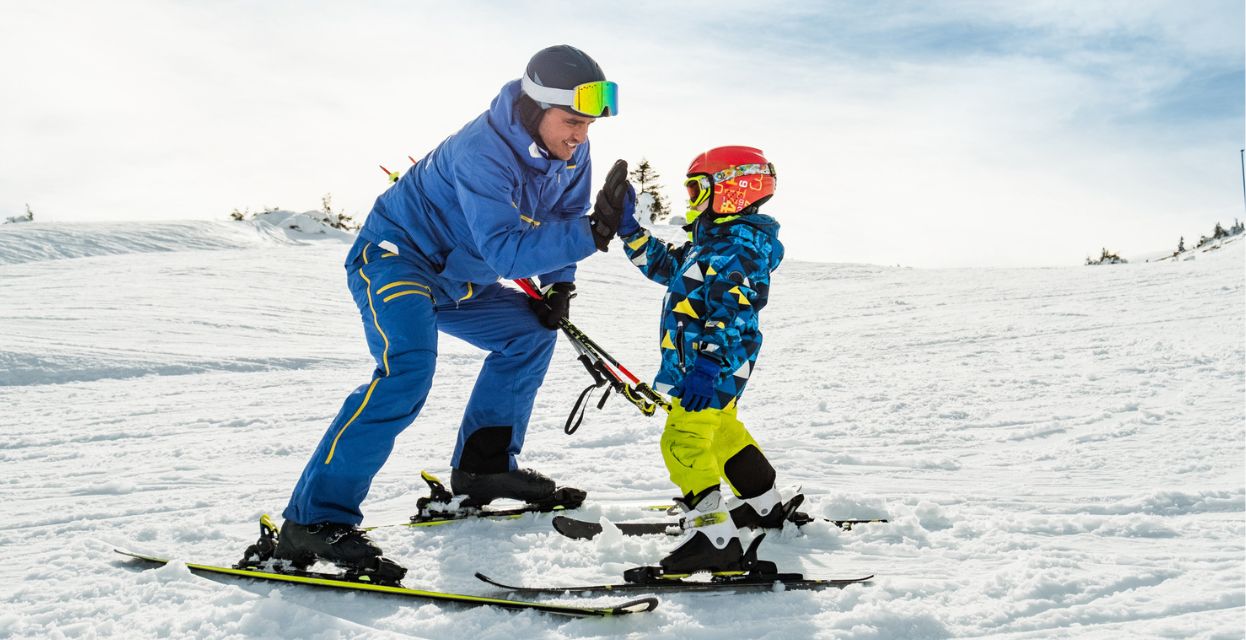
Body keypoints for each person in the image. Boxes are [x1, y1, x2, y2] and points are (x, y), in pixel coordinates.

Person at [273, 45, 634, 575]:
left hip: (461, 279)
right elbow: (508, 252)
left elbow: (565, 214)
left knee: (528, 334)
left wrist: (560, 287)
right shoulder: (481, 150)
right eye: (571, 121)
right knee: (407, 372)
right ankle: (312, 522)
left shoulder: (571, 154)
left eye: (587, 126)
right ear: (536, 109)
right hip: (398, 263)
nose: (580, 135)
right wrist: (592, 235)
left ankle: (483, 470)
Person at [616, 146, 786, 573]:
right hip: (712, 371)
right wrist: (628, 230)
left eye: (697, 190)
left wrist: (707, 367)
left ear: (732, 191)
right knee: (723, 431)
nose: (692, 200)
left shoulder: (736, 252)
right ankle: (764, 505)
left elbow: (734, 314)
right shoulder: (714, 245)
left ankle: (716, 539)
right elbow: (665, 266)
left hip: (708, 370)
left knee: (683, 443)